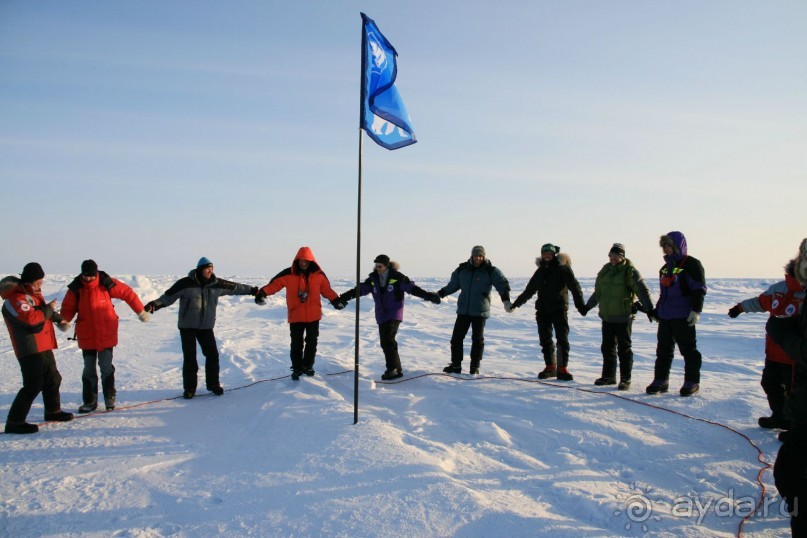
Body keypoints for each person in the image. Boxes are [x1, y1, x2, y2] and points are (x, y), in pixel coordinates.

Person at [143, 257, 258, 399]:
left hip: (206, 327)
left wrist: (252, 290)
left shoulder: (216, 284)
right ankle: (190, 388)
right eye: (207, 268)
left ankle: (213, 384)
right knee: (190, 358)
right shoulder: (185, 283)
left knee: (212, 355)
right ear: (200, 270)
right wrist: (154, 304)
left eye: (212, 268)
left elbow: (235, 287)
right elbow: (168, 297)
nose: (210, 271)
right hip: (187, 327)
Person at [59, 259, 150, 413]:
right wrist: (64, 321)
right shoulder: (76, 288)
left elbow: (127, 293)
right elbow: (68, 307)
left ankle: (109, 398)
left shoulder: (106, 283)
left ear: (96, 274)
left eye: (92, 276)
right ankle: (89, 401)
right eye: (86, 276)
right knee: (89, 369)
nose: (88, 279)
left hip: (106, 332)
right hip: (86, 333)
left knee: (106, 367)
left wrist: (140, 311)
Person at [728, 253, 804, 430]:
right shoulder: (779, 289)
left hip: (795, 357)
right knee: (770, 383)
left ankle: (795, 427)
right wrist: (740, 308)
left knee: (796, 392)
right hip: (773, 352)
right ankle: (779, 416)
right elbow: (760, 302)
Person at [339, 254, 440, 380]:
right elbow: (360, 290)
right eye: (376, 266)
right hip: (381, 314)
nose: (377, 268)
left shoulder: (398, 277)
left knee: (387, 340)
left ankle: (392, 369)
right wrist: (343, 297)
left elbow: (412, 289)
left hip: (394, 313)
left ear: (387, 266)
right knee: (387, 341)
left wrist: (429, 296)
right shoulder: (373, 279)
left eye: (380, 266)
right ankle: (396, 369)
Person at [1, 263, 74, 434]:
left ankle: (52, 411)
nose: (41, 285)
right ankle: (14, 422)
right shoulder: (15, 300)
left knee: (53, 379)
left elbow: (41, 310)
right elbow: (32, 319)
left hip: (44, 344)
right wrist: (49, 309)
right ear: (28, 282)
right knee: (33, 384)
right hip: (29, 348)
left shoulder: (32, 295)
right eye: (38, 282)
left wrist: (58, 318)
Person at [767, 238, 807, 538]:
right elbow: (762, 300)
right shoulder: (783, 290)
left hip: (790, 358)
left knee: (791, 475)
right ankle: (781, 416)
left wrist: (783, 333)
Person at [255, 247, 345, 380]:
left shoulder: (319, 275)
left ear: (311, 261)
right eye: (301, 260)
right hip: (296, 315)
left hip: (313, 316)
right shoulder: (288, 274)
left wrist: (336, 300)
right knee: (296, 344)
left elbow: (326, 290)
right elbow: (274, 285)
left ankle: (307, 366)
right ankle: (297, 368)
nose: (303, 263)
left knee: (311, 342)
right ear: (297, 260)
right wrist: (262, 293)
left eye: (306, 260)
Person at [580, 243, 653, 390]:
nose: (612, 258)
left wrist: (649, 308)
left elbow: (641, 290)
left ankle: (625, 379)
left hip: (623, 316)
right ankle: (609, 376)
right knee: (607, 347)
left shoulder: (629, 272)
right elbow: (598, 292)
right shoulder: (605, 271)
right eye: (610, 256)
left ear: (622, 256)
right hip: (607, 316)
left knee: (624, 348)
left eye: (615, 256)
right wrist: (588, 306)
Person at [510, 243, 586, 381]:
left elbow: (574, 287)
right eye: (544, 253)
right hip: (543, 309)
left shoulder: (563, 268)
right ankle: (551, 367)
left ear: (553, 254)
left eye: (549, 253)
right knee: (545, 339)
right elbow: (530, 290)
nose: (546, 255)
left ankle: (562, 369)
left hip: (559, 308)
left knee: (562, 339)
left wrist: (581, 306)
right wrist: (516, 304)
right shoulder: (540, 271)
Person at [646, 231, 707, 397]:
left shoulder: (691, 264)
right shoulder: (664, 269)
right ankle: (661, 380)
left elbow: (699, 289)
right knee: (663, 350)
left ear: (678, 246)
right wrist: (657, 311)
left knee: (688, 350)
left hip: (683, 315)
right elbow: (664, 294)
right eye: (664, 246)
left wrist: (696, 310)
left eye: (669, 245)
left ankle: (692, 381)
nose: (666, 249)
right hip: (666, 315)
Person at [436, 245, 511, 375]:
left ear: (484, 256)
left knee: (477, 339)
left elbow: (502, 284)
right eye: (476, 255)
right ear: (471, 256)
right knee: (456, 339)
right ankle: (455, 365)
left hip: (480, 311)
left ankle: (474, 366)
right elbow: (452, 286)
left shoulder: (490, 271)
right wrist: (439, 294)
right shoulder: (462, 270)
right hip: (463, 310)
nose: (478, 258)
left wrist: (506, 301)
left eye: (480, 256)